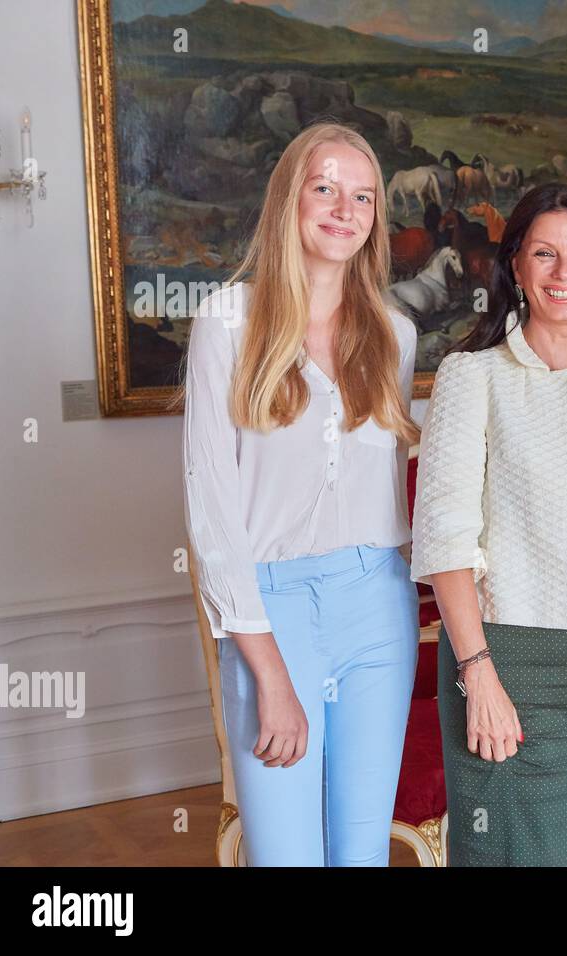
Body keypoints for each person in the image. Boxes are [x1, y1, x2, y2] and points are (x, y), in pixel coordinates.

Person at [181, 122, 422, 866]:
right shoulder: (227, 324)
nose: (344, 209)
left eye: (363, 196)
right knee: (285, 854)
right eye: (324, 188)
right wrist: (272, 673)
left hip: (379, 605)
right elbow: (212, 510)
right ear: (290, 198)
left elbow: (389, 493)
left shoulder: (395, 333)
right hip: (271, 611)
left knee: (361, 853)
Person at [411, 183, 567, 866]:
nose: (566, 274)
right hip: (508, 662)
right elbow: (445, 541)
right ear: (516, 268)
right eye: (545, 255)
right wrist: (478, 678)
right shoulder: (473, 375)